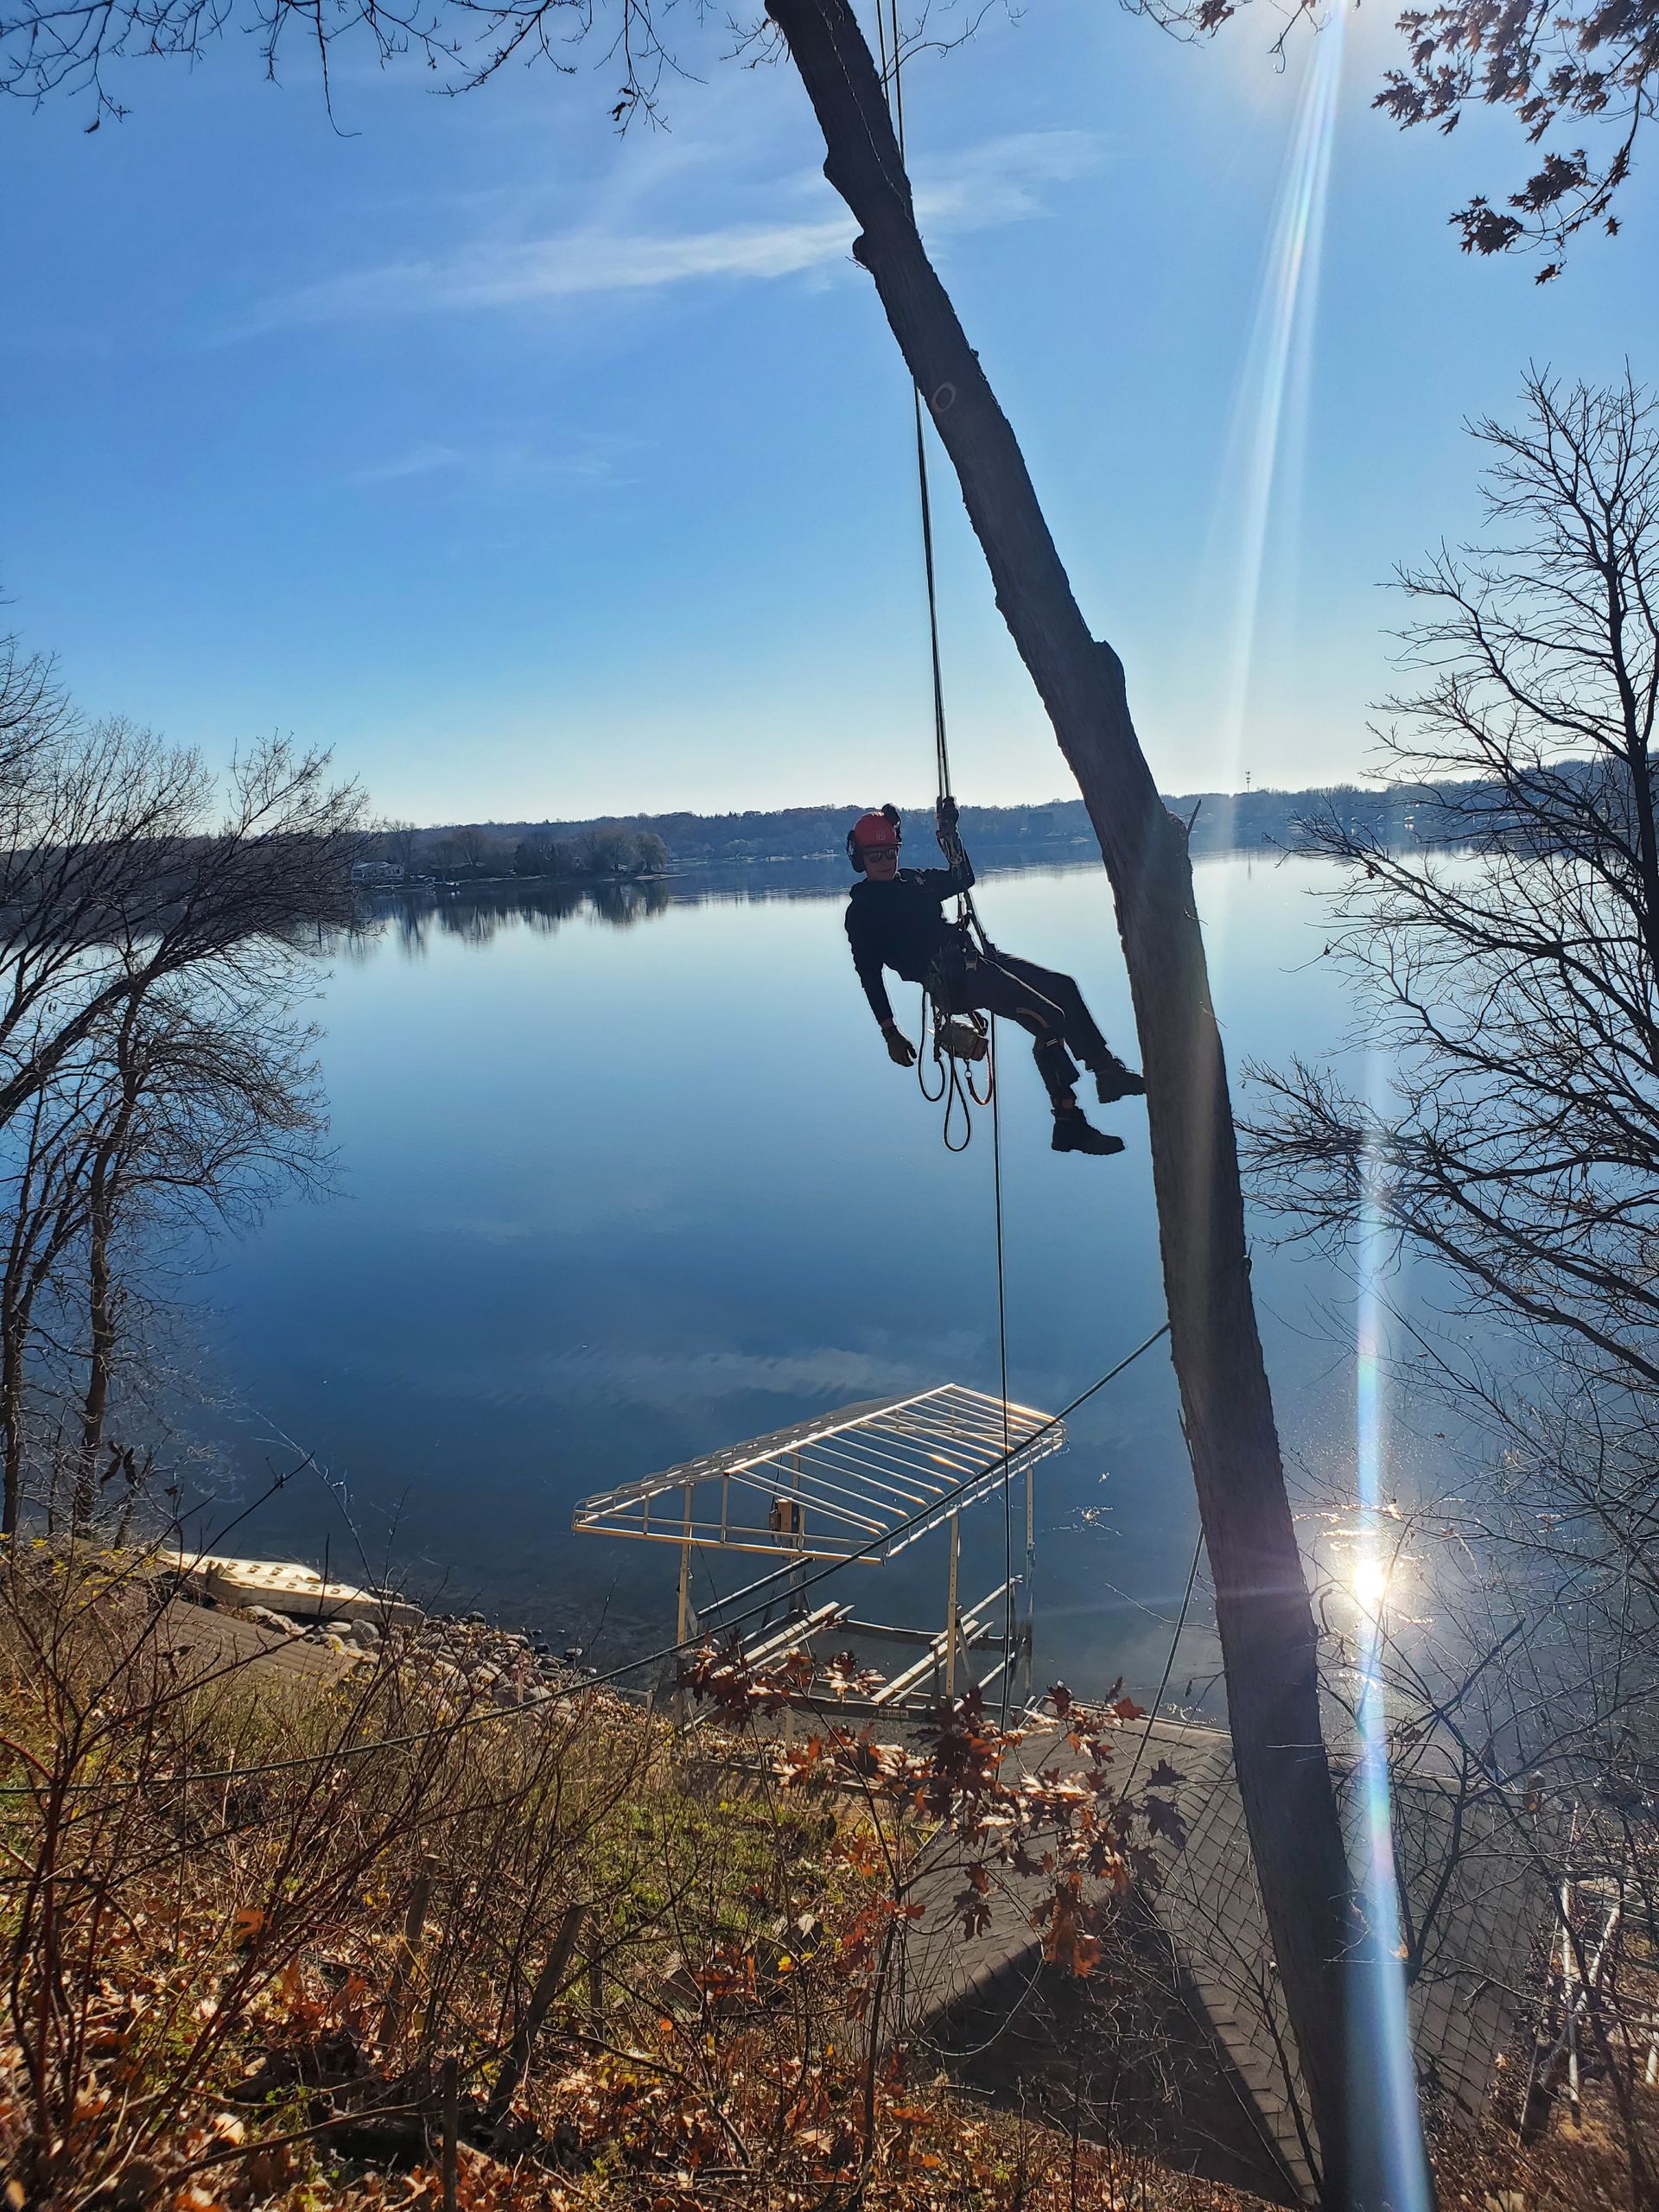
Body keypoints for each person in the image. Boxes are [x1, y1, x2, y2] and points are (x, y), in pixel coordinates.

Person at [844, 800, 1144, 1157]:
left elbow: (961, 878)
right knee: (1049, 1020)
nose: (885, 862)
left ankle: (1107, 1072)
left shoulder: (915, 880)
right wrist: (890, 1032)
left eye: (890, 852)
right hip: (954, 980)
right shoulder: (863, 912)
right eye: (875, 856)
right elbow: (869, 976)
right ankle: (1069, 1122)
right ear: (860, 858)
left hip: (978, 961)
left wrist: (948, 833)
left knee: (1063, 988)